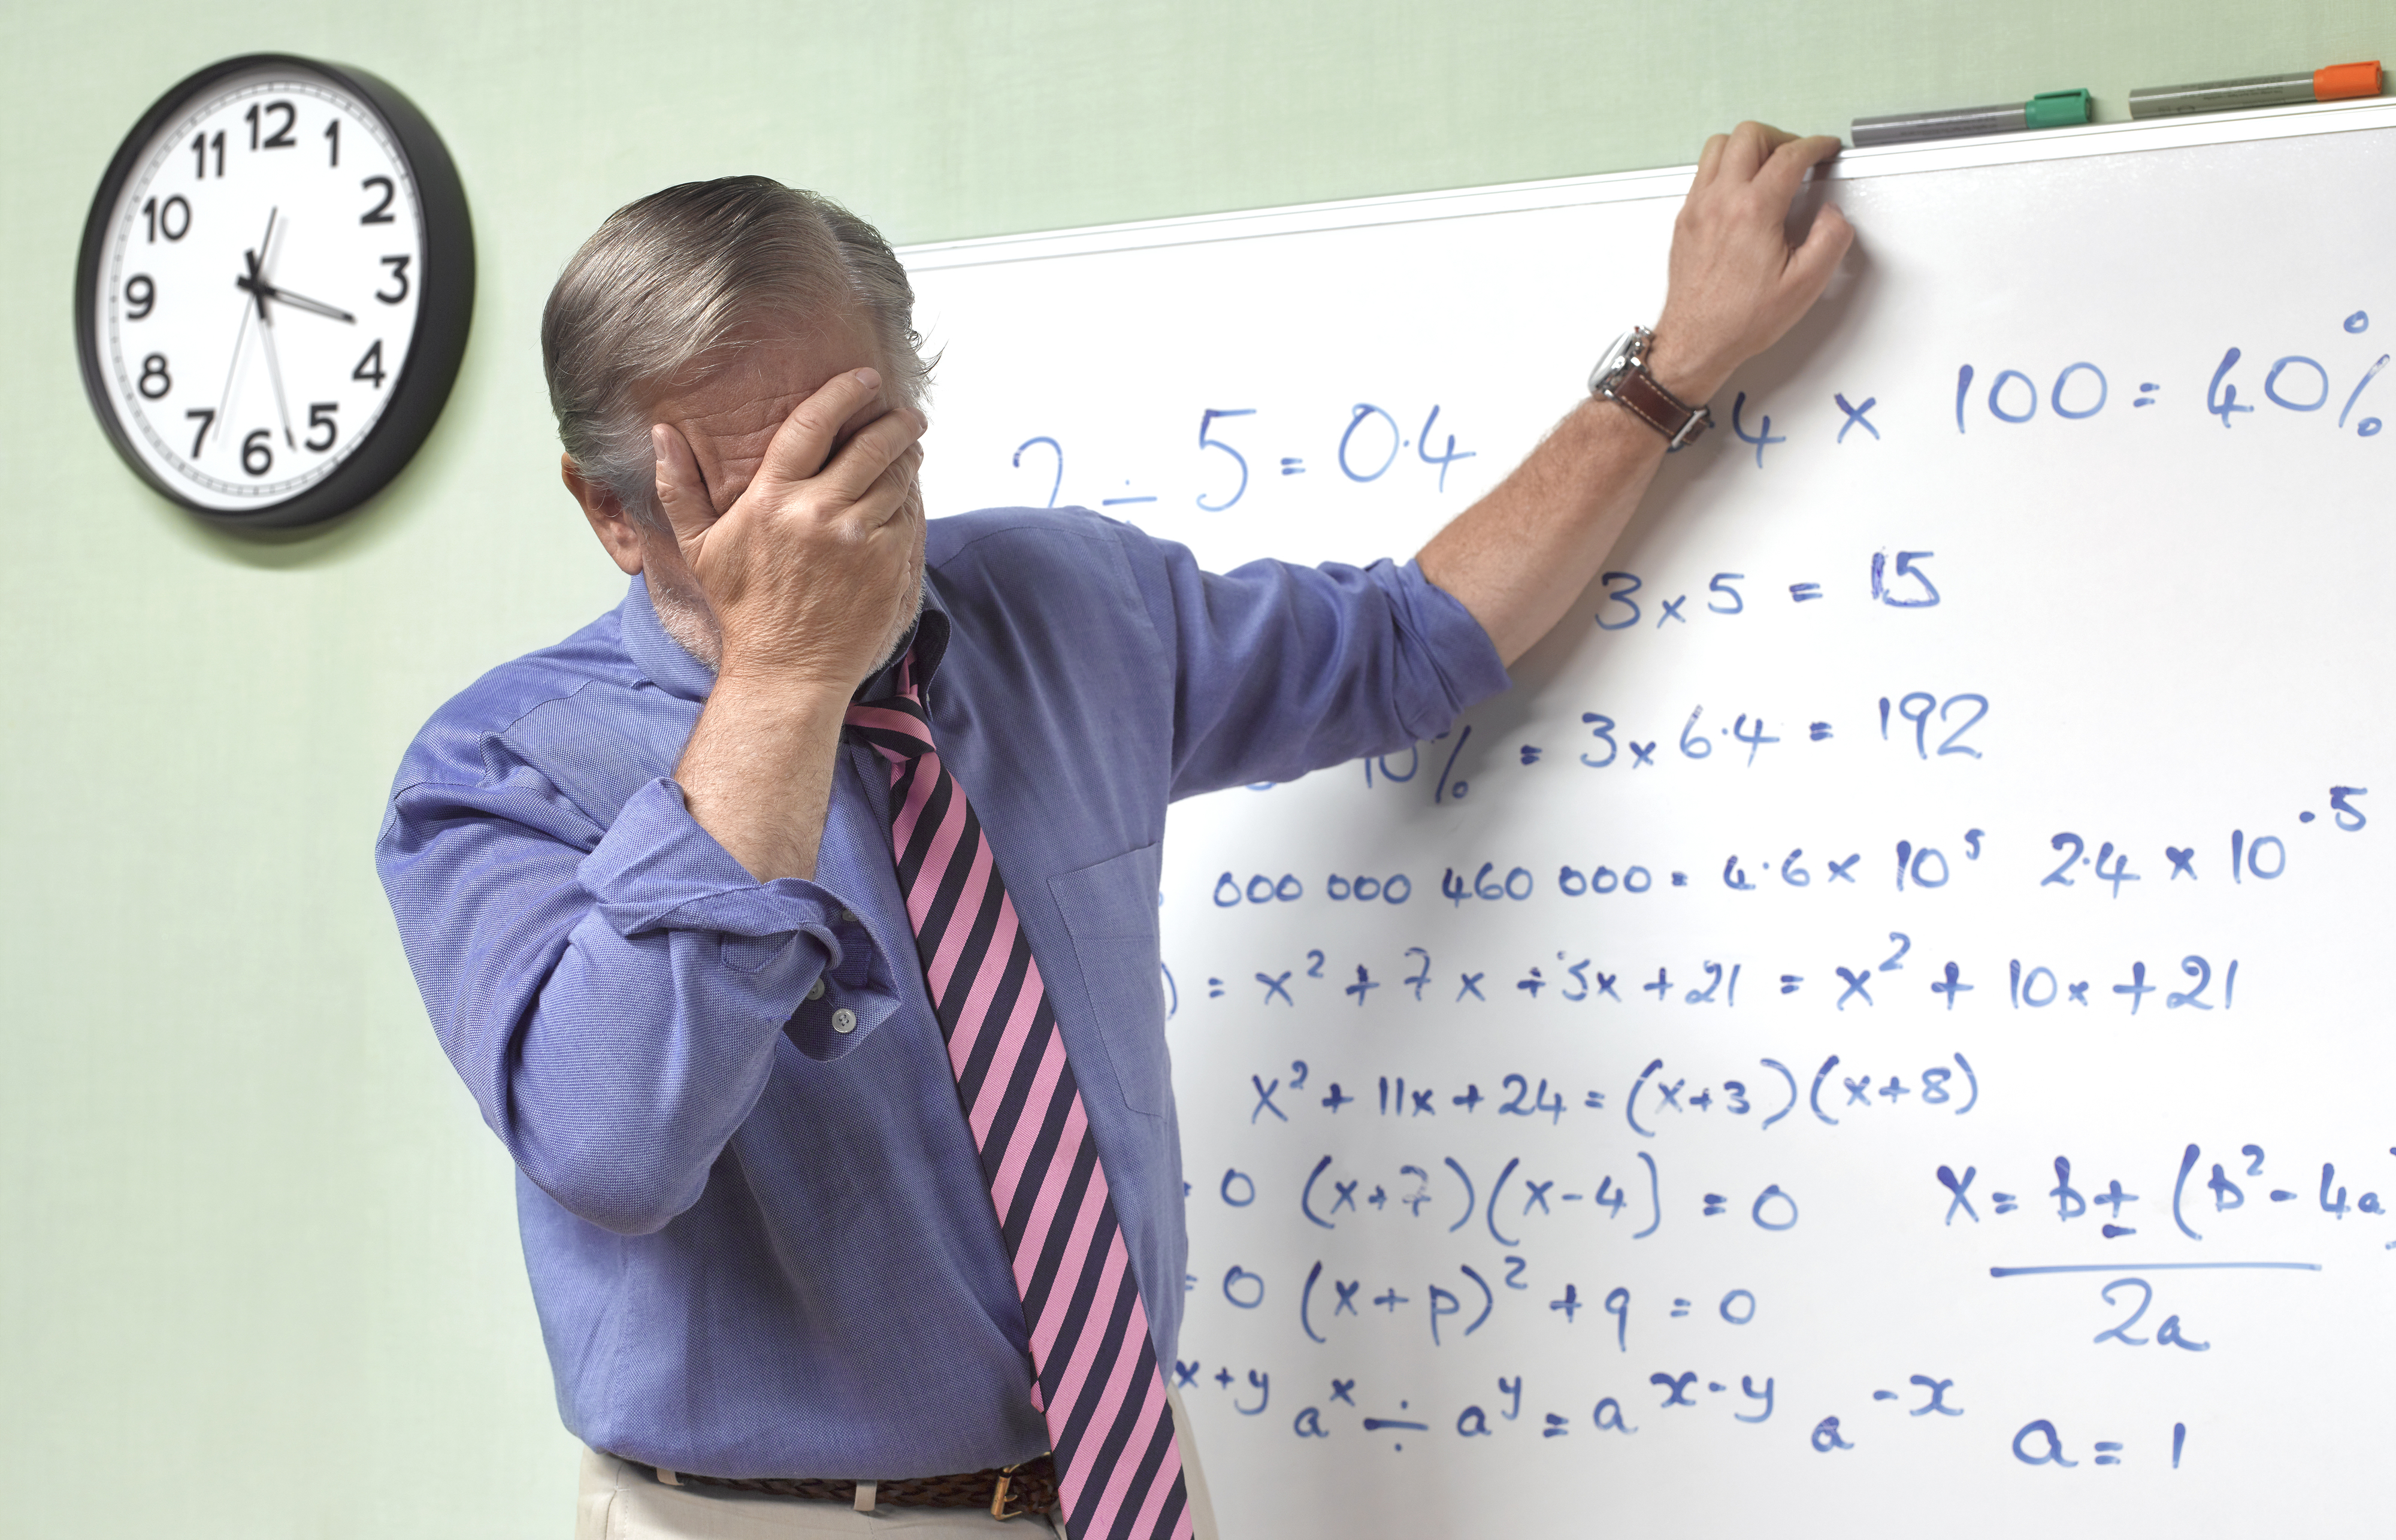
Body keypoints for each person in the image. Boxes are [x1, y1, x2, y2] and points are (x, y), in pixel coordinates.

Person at [375, 122, 1850, 1540]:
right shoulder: (495, 771)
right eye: (752, 498)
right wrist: (782, 677)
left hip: (1125, 1480)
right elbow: (615, 1140)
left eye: (854, 459)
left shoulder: (1066, 604)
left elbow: (1409, 644)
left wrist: (1673, 368)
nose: (825, 533)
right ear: (612, 514)